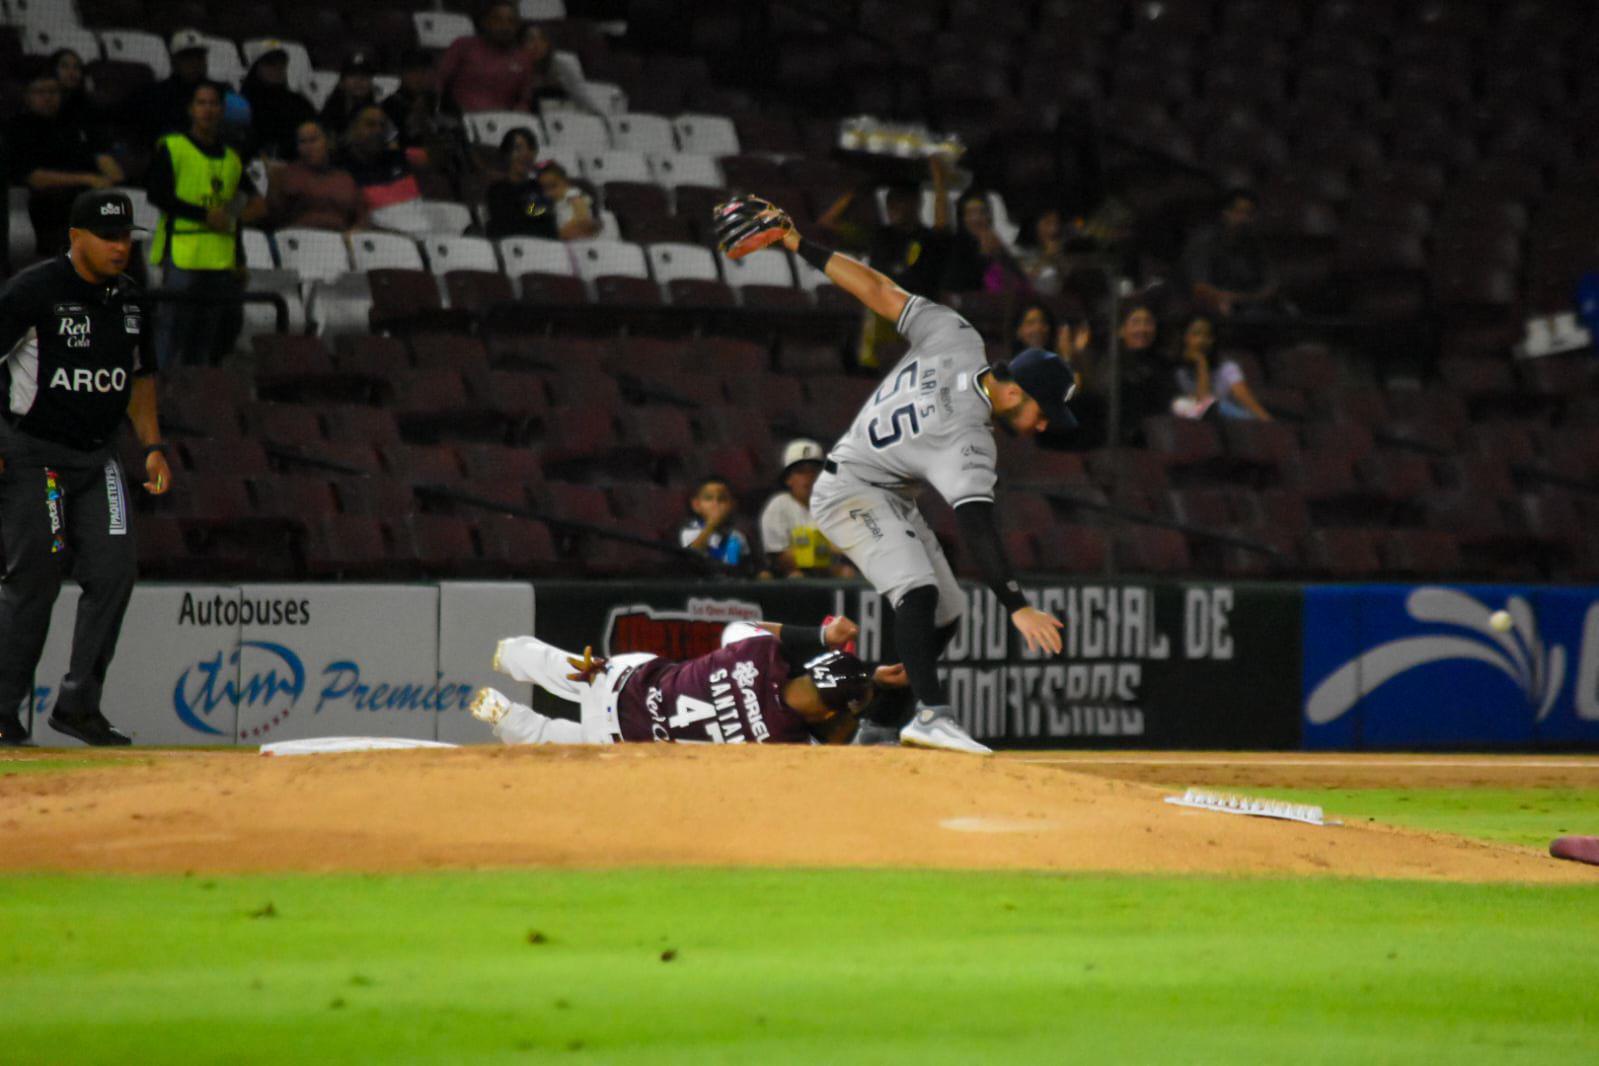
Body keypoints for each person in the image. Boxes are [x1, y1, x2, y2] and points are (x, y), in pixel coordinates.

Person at [714, 196, 1072, 755]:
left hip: (882, 492)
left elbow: (877, 290)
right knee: (918, 590)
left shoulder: (958, 337)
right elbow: (978, 529)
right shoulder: (969, 438)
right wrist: (1017, 605)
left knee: (947, 611)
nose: (1044, 425)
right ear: (1015, 392)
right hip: (849, 491)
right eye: (1043, 412)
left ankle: (879, 725)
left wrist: (798, 243)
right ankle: (931, 714)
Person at [0, 190, 174, 747]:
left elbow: (140, 377)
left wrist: (152, 446)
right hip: (37, 457)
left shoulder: (131, 301)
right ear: (75, 237)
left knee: (115, 569)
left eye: (126, 237)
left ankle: (78, 705)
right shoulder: (33, 291)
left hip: (99, 457)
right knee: (37, 575)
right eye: (108, 237)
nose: (121, 247)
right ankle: (3, 708)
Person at [470, 615, 902, 746]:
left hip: (623, 680)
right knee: (552, 739)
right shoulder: (784, 743)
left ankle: (509, 653)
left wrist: (822, 638)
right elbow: (839, 745)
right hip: (619, 740)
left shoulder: (757, 653)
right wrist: (872, 682)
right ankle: (504, 717)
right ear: (826, 713)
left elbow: (743, 627)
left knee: (570, 668)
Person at [146, 81, 267, 368]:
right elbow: (157, 194)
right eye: (201, 103)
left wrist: (239, 258)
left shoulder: (232, 159)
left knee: (205, 335)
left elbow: (244, 207)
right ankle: (159, 386)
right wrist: (203, 215)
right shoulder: (173, 147)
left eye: (213, 104)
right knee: (172, 328)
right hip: (183, 251)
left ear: (222, 110)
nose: (207, 110)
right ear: (191, 109)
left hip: (219, 258)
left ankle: (195, 389)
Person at [816, 155, 951, 369]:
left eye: (899, 200)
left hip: (917, 318)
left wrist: (939, 181)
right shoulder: (879, 235)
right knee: (873, 369)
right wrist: (858, 192)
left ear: (916, 202)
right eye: (889, 201)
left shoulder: (928, 238)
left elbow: (942, 226)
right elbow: (827, 223)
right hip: (880, 321)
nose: (892, 206)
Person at [6, 75, 126, 257]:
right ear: (27, 96)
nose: (48, 97)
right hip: (46, 205)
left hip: (89, 199)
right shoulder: (17, 129)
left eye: (53, 91)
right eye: (40, 92)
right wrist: (87, 179)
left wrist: (107, 167)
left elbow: (99, 160)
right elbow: (34, 178)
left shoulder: (72, 125)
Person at [759, 438, 851, 579]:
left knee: (848, 573)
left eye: (814, 471)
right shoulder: (779, 505)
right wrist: (827, 550)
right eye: (801, 471)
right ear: (788, 479)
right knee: (796, 577)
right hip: (788, 575)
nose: (809, 477)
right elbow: (780, 558)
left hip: (830, 572)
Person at [1182, 187, 1281, 319]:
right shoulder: (1204, 242)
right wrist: (1228, 299)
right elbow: (1199, 288)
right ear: (1225, 212)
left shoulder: (1255, 245)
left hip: (1250, 306)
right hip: (1207, 308)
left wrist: (1245, 299)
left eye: (1249, 214)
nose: (1243, 218)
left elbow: (1270, 285)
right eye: (1238, 212)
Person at [265, 120, 366, 232]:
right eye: (303, 142)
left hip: (339, 239)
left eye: (313, 140)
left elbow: (361, 217)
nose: (308, 147)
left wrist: (355, 232)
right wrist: (273, 183)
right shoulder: (286, 174)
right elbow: (274, 217)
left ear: (328, 142)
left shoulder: (345, 180)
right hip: (298, 236)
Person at [437, 1, 536, 114]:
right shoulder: (463, 45)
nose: (505, 27)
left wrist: (519, 111)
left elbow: (525, 99)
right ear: (485, 22)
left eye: (511, 22)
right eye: (497, 20)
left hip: (502, 119)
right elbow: (439, 80)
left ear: (517, 27)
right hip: (458, 117)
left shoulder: (523, 59)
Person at [1168, 313, 1272, 421]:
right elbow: (1200, 402)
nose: (1202, 340)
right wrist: (1200, 364)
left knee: (1217, 405)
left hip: (1234, 420)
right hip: (1198, 422)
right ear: (1185, 337)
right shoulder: (1179, 371)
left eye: (1207, 336)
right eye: (1196, 334)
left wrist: (1267, 421)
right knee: (1180, 405)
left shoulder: (1228, 367)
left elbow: (1243, 397)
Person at [336, 104, 425, 217]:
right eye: (370, 124)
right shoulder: (338, 168)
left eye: (382, 125)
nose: (378, 131)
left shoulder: (399, 159)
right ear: (353, 129)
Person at [127, 29, 211, 147]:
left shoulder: (221, 91)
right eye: (187, 57)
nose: (195, 63)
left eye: (199, 56)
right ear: (174, 61)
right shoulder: (155, 95)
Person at [940, 189, 1031, 295]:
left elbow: (1023, 285)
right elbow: (956, 287)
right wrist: (984, 258)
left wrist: (998, 254)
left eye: (982, 212)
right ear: (962, 218)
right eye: (970, 213)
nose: (977, 218)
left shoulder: (996, 245)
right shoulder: (954, 248)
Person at [241, 42, 316, 161]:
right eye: (270, 63)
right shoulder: (243, 103)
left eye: (281, 63)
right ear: (256, 68)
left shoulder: (298, 103)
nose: (277, 67)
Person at [518, 22, 610, 114]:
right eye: (531, 40)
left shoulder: (561, 63)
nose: (537, 45)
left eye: (542, 39)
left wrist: (598, 114)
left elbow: (581, 95)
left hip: (564, 112)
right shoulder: (519, 65)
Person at [482, 127, 556, 239]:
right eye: (518, 148)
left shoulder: (541, 188)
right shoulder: (497, 191)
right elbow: (505, 226)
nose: (525, 155)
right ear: (507, 154)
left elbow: (549, 225)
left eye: (530, 148)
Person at [678, 474, 752, 574]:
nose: (715, 503)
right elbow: (691, 557)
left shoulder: (737, 535)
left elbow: (737, 565)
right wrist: (711, 525)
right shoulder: (690, 530)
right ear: (696, 505)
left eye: (722, 499)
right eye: (708, 498)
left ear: (732, 505)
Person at [382, 49, 448, 152]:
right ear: (402, 74)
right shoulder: (390, 105)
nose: (419, 77)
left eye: (424, 72)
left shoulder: (437, 104)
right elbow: (390, 141)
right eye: (413, 72)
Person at [319, 53, 380, 139]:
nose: (359, 80)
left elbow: (390, 139)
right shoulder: (330, 112)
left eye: (365, 75)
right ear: (342, 82)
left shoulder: (379, 113)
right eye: (352, 75)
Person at [536, 161, 599, 240]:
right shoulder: (555, 203)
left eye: (553, 186)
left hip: (582, 240)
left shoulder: (572, 194)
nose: (549, 192)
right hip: (565, 241)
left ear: (565, 182)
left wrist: (563, 232)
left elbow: (582, 217)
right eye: (545, 188)